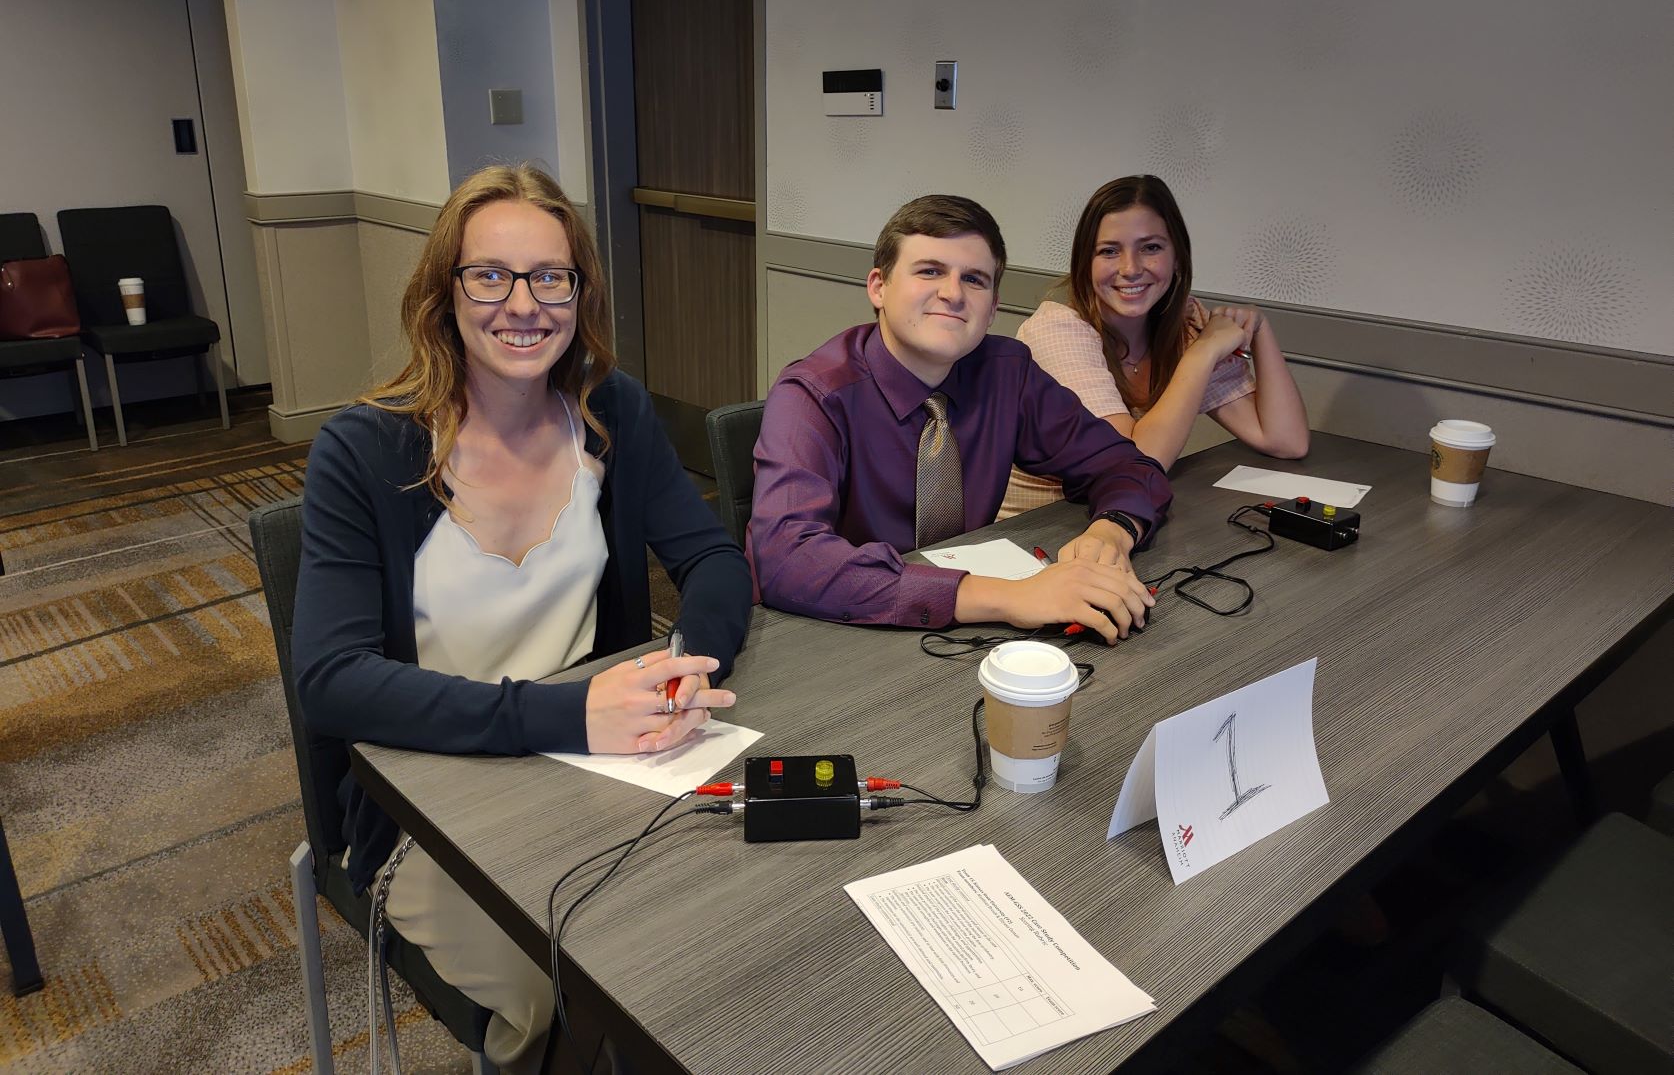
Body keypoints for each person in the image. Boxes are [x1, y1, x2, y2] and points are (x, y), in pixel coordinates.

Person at [291, 164, 752, 1074]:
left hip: (595, 767)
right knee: (565, 983)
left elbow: (714, 560)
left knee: (717, 923)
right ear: (444, 291)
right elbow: (329, 680)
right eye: (490, 275)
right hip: (428, 800)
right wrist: (566, 715)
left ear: (579, 292)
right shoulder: (367, 449)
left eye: (551, 277)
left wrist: (683, 670)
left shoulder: (609, 412)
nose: (523, 304)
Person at [749, 194, 1172, 646]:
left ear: (992, 308)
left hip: (959, 638)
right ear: (878, 286)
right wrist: (1011, 598)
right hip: (829, 635)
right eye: (929, 271)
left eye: (974, 279)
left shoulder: (1007, 372)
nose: (952, 293)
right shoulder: (814, 394)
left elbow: (1126, 465)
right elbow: (786, 559)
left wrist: (1113, 531)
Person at [1001, 175, 1308, 518]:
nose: (1130, 269)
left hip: (1118, 518)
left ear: (1177, 257)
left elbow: (1286, 441)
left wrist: (1259, 328)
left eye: (1151, 248)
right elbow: (1129, 463)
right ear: (1085, 262)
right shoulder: (1057, 329)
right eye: (1109, 251)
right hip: (1030, 531)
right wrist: (1201, 354)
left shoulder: (1183, 324)